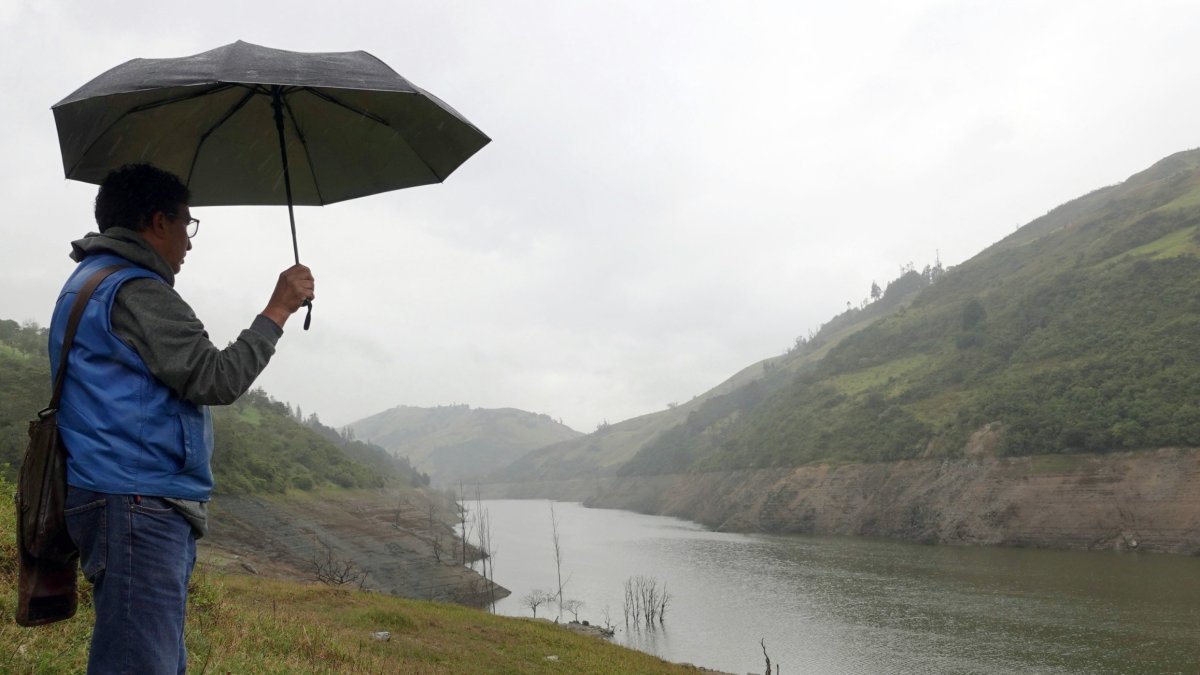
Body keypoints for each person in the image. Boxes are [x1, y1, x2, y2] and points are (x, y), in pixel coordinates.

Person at [48, 163, 314, 674]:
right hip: (137, 500)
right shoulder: (138, 291)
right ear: (158, 222)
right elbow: (216, 379)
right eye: (186, 225)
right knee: (141, 662)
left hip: (114, 495)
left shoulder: (85, 280)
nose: (189, 244)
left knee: (149, 654)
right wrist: (278, 309)